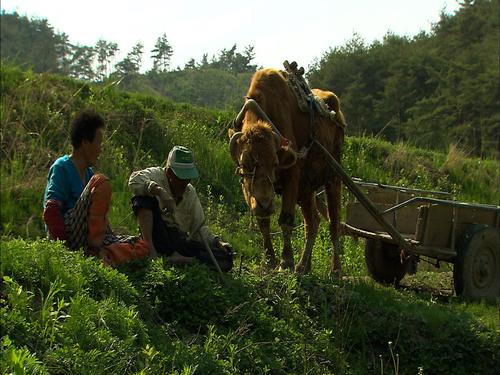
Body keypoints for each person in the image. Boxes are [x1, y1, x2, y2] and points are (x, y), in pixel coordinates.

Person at [43, 109, 149, 265]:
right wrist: (63, 251)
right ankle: (95, 252)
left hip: (88, 237)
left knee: (141, 246)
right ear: (86, 142)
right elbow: (51, 211)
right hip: (68, 236)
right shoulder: (62, 167)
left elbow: (96, 218)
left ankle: (101, 255)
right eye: (99, 143)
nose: (100, 149)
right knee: (101, 182)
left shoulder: (88, 172)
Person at [128, 145, 233, 272]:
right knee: (142, 199)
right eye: (181, 177)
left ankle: (177, 258)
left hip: (177, 240)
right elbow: (134, 180)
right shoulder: (156, 175)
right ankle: (152, 252)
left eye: (187, 178)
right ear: (169, 172)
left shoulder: (190, 193)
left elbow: (198, 228)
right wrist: (159, 191)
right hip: (157, 234)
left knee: (225, 260)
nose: (185, 182)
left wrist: (217, 242)